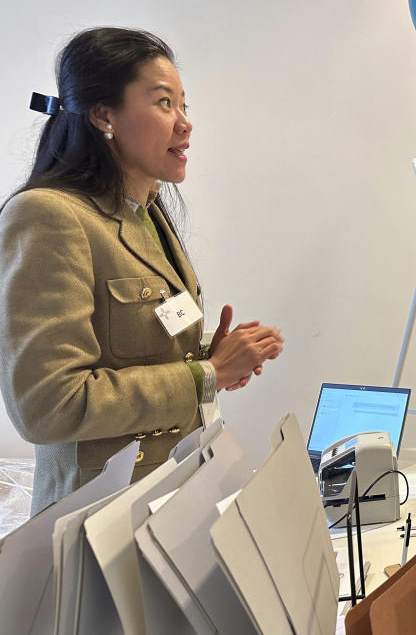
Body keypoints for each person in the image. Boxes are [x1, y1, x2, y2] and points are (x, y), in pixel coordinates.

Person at [0, 27, 284, 516]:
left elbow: (136, 353)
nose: (185, 124)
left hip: (168, 500)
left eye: (183, 105)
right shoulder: (48, 216)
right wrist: (205, 375)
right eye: (164, 103)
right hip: (97, 521)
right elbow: (48, 406)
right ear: (104, 115)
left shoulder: (145, 212)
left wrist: (212, 361)